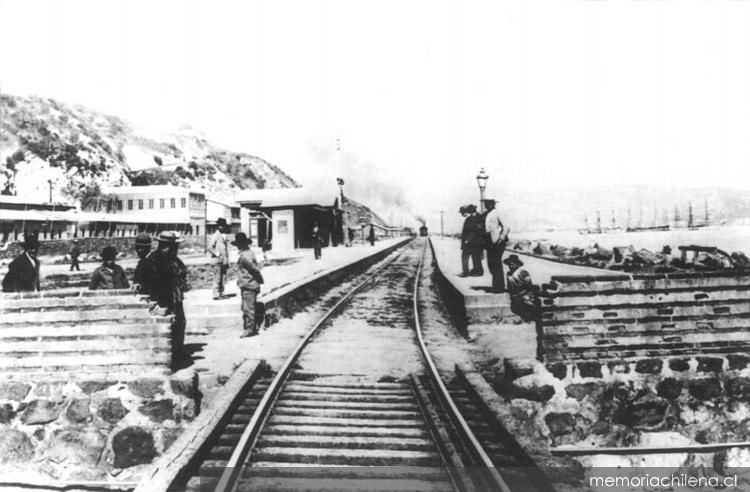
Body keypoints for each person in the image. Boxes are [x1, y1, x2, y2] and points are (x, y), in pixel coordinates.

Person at [150, 231, 190, 369]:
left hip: (175, 295)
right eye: (170, 246)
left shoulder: (174, 259)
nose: (173, 249)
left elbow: (182, 271)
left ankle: (178, 350)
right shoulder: (156, 259)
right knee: (168, 324)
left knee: (180, 321)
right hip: (163, 297)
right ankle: (170, 352)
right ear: (163, 245)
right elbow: (157, 280)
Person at [233, 233, 264, 337]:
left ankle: (250, 329)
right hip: (247, 283)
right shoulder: (247, 253)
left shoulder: (245, 256)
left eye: (238, 244)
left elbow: (254, 269)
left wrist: (258, 281)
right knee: (245, 307)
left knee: (248, 308)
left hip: (249, 284)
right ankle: (249, 327)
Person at [483, 198, 509, 293]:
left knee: (496, 263)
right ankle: (496, 285)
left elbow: (506, 226)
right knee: (491, 263)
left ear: (493, 204)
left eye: (489, 203)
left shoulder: (497, 213)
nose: (487, 205)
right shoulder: (486, 214)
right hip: (489, 241)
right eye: (486, 203)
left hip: (498, 242)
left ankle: (499, 287)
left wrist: (501, 238)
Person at [504, 254, 539, 322]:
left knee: (527, 302)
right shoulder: (508, 274)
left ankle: (531, 317)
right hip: (515, 295)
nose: (510, 266)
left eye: (512, 264)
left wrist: (521, 294)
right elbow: (509, 286)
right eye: (509, 264)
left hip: (524, 293)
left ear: (517, 264)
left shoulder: (523, 273)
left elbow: (529, 286)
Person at [208, 217, 230, 300]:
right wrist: (217, 254)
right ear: (218, 226)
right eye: (220, 225)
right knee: (217, 278)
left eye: (223, 225)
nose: (222, 227)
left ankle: (222, 293)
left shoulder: (224, 235)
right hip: (217, 260)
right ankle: (216, 295)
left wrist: (227, 259)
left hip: (223, 260)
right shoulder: (215, 236)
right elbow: (210, 247)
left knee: (223, 277)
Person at [459, 205, 485, 277]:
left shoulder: (477, 218)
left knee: (467, 256)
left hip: (474, 241)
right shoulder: (471, 218)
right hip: (472, 242)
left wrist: (467, 240)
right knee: (475, 256)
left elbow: (474, 230)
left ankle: (468, 272)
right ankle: (475, 271)